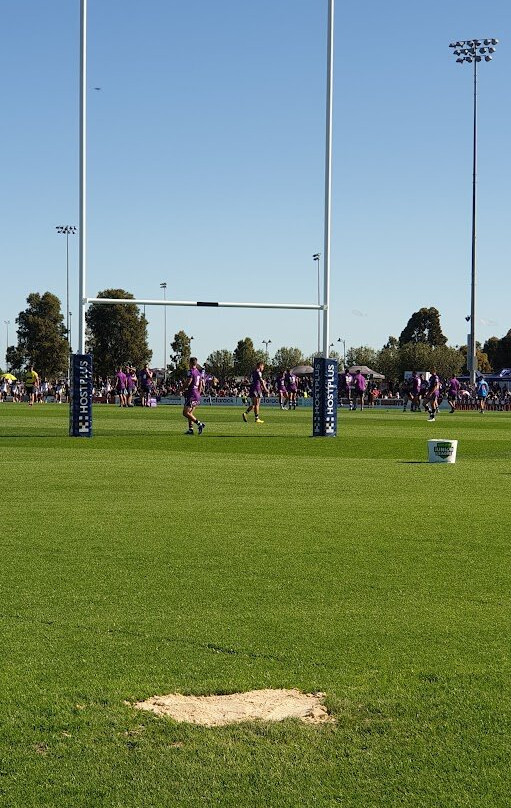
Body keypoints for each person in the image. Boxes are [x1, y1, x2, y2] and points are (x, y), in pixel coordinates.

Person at [183, 357, 205, 434]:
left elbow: (188, 382)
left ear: (190, 363)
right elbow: (201, 384)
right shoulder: (198, 372)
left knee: (185, 413)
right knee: (190, 413)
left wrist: (180, 389)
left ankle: (200, 424)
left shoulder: (191, 371)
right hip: (196, 394)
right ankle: (191, 429)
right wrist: (198, 393)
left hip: (191, 394)